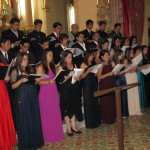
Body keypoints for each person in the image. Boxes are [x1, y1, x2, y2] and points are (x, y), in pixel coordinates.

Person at [10, 52, 44, 149]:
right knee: (24, 119)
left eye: (27, 59)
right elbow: (12, 86)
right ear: (19, 59)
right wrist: (20, 81)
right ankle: (26, 144)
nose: (26, 61)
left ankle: (35, 142)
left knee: (33, 117)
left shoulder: (30, 69)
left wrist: (38, 78)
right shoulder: (15, 70)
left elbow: (35, 83)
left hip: (31, 96)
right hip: (22, 97)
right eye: (24, 59)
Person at [36, 49, 64, 142]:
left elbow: (57, 79)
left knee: (54, 113)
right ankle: (48, 135)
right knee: (47, 115)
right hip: (45, 93)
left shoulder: (53, 66)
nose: (51, 57)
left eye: (52, 55)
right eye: (49, 55)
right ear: (45, 56)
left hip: (54, 92)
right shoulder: (40, 67)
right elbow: (37, 82)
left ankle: (56, 134)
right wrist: (48, 81)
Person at [57, 50, 83, 136]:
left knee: (74, 107)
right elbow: (60, 82)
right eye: (69, 57)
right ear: (64, 58)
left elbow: (79, 78)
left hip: (74, 89)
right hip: (65, 90)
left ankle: (74, 127)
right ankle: (68, 128)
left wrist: (78, 78)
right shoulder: (61, 67)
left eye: (71, 57)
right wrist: (68, 77)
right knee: (67, 109)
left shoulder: (74, 65)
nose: (71, 58)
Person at [80, 51, 100, 128]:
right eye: (90, 55)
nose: (92, 57)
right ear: (87, 56)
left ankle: (96, 121)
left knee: (95, 102)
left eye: (92, 55)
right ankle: (90, 123)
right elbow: (81, 77)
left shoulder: (93, 64)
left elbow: (95, 75)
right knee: (89, 103)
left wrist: (96, 72)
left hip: (94, 84)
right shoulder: (83, 64)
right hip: (87, 85)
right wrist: (87, 72)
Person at [0, 61, 17, 150]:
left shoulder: (2, 65)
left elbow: (8, 79)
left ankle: (6, 140)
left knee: (4, 115)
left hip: (2, 91)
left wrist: (8, 78)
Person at [97, 50, 116, 124]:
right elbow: (99, 77)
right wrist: (108, 74)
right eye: (106, 55)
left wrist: (116, 72)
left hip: (111, 83)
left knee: (111, 101)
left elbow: (114, 72)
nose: (108, 56)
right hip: (104, 85)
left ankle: (112, 118)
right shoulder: (101, 65)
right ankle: (105, 118)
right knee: (106, 102)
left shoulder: (111, 63)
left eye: (108, 55)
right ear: (102, 57)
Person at [124, 48, 142, 115]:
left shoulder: (133, 60)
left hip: (134, 76)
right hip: (129, 76)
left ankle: (136, 109)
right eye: (131, 52)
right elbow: (126, 70)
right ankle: (131, 110)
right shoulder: (125, 60)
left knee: (135, 91)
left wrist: (135, 69)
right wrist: (133, 69)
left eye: (132, 52)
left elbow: (136, 69)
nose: (132, 53)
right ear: (128, 53)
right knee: (130, 92)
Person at [111, 49, 129, 117]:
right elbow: (113, 73)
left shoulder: (122, 62)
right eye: (120, 54)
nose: (122, 55)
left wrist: (126, 70)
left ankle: (124, 113)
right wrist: (118, 73)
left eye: (122, 54)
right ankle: (118, 113)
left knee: (124, 96)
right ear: (117, 55)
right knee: (118, 96)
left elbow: (124, 70)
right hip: (117, 80)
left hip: (123, 79)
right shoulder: (113, 62)